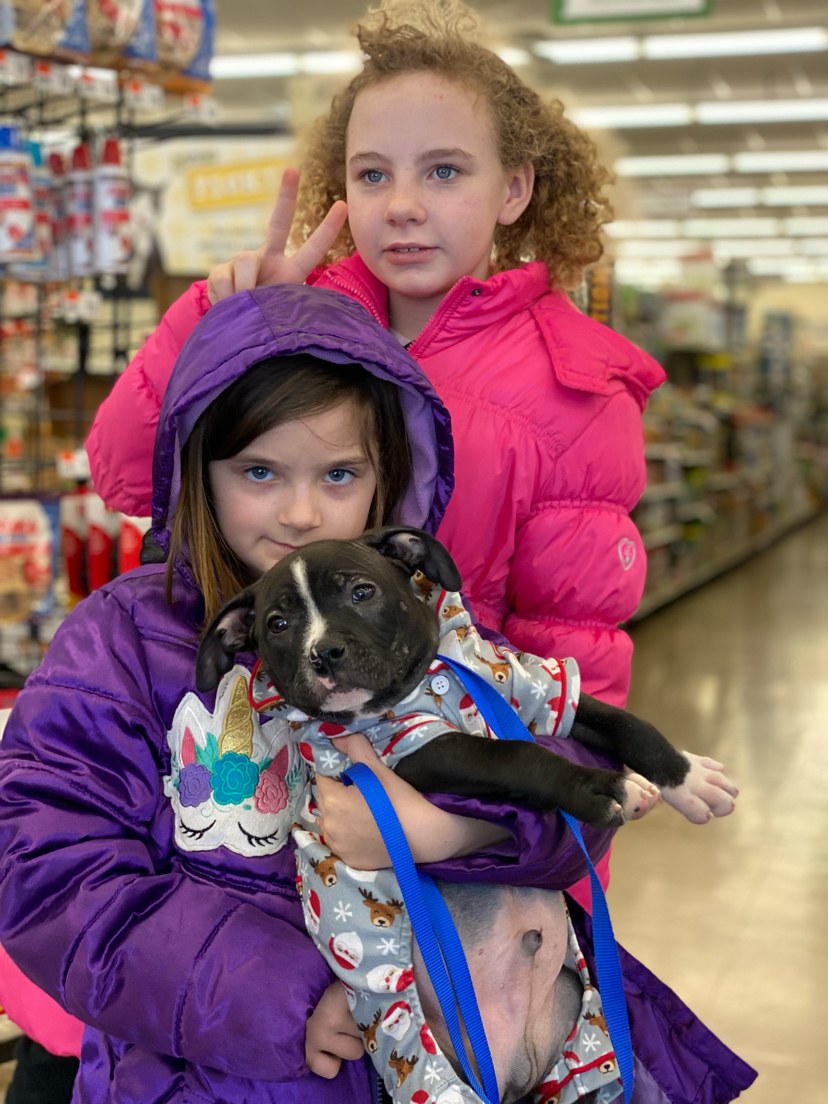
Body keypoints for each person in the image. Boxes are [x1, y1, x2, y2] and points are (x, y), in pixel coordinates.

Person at [0, 283, 751, 1104]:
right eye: (259, 471)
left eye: (338, 474)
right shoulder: (123, 643)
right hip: (209, 1080)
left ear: (384, 476)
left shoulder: (423, 623)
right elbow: (52, 877)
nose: (301, 512)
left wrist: (452, 830)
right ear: (198, 471)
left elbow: (578, 803)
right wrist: (283, 996)